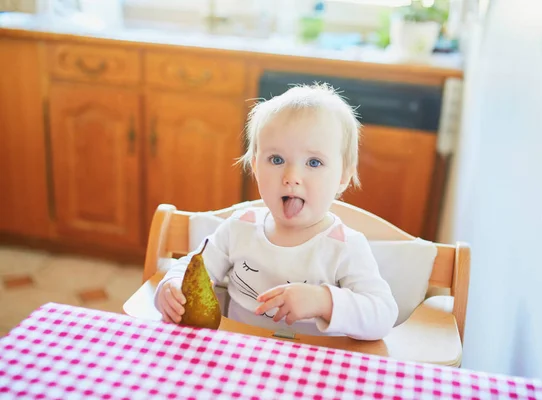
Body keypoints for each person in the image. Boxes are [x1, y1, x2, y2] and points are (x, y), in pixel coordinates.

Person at [154, 83, 398, 340]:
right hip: (240, 356)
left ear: (343, 177)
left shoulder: (344, 246)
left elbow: (382, 315)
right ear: (256, 167)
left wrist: (324, 301)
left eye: (314, 162)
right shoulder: (240, 228)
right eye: (277, 160)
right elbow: (191, 268)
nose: (292, 176)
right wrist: (170, 288)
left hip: (314, 367)